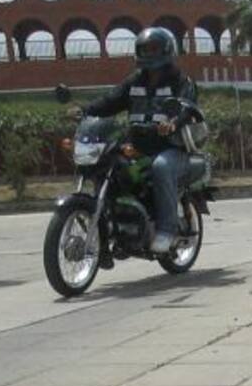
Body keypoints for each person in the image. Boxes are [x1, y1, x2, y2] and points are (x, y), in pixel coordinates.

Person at [78, 28, 200, 254]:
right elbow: (110, 101)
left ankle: (166, 230)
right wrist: (84, 110)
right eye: (145, 49)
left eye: (154, 49)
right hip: (137, 146)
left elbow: (188, 107)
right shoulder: (134, 81)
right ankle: (112, 224)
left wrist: (173, 122)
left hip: (171, 147)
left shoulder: (180, 80)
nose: (149, 54)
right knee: (107, 163)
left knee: (161, 167)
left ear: (166, 50)